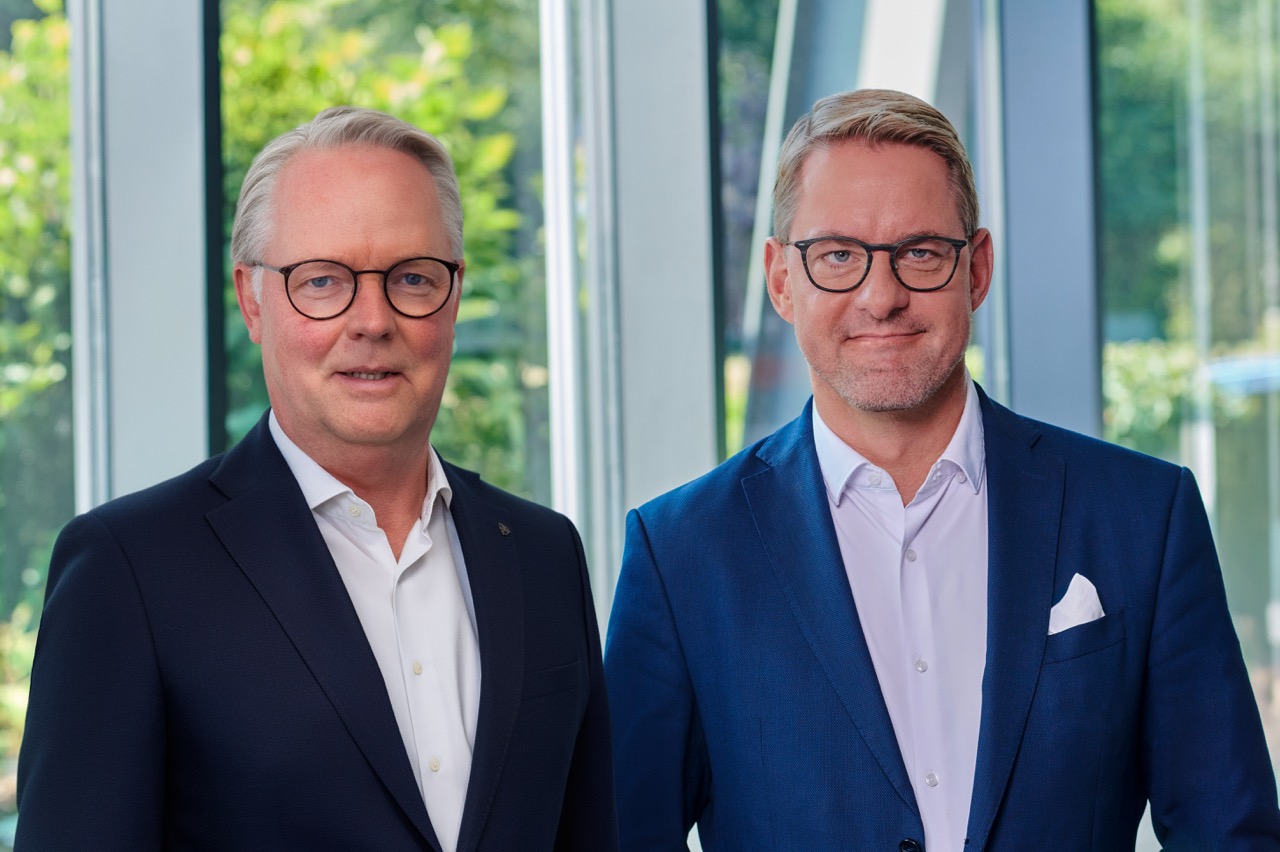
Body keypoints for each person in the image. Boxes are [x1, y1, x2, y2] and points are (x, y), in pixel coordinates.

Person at [605, 88, 1280, 851]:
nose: (882, 295)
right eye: (837, 256)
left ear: (978, 268)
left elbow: (1231, 833)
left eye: (920, 252)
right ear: (781, 279)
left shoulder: (1142, 516)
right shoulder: (681, 552)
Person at [17, 106, 617, 852]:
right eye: (324, 281)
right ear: (252, 299)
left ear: (454, 298)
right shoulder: (129, 569)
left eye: (413, 277)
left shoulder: (542, 553)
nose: (372, 319)